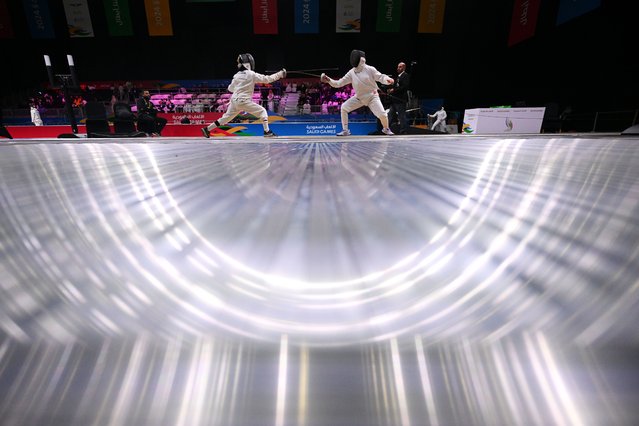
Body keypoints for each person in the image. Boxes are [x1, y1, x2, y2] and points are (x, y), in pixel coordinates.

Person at [201, 53, 286, 138]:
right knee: (262, 111)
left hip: (234, 101)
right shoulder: (251, 74)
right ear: (249, 63)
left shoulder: (236, 75)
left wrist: (239, 87)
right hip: (243, 101)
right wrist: (280, 74)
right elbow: (268, 79)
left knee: (225, 118)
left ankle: (207, 129)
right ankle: (267, 132)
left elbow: (230, 89)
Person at [320, 50, 394, 136]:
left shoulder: (370, 69)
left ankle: (386, 129)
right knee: (344, 108)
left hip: (372, 97)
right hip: (359, 98)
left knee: (382, 115)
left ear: (361, 59)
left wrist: (387, 80)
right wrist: (329, 80)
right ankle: (345, 130)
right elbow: (338, 83)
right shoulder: (351, 73)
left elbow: (381, 77)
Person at [387, 62, 410, 134]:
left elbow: (404, 87)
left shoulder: (405, 76)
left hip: (400, 100)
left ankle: (403, 131)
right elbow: (396, 87)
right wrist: (391, 89)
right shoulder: (398, 77)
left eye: (400, 67)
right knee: (390, 115)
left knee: (401, 116)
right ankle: (386, 129)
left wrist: (394, 90)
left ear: (403, 68)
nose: (398, 68)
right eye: (398, 66)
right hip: (394, 100)